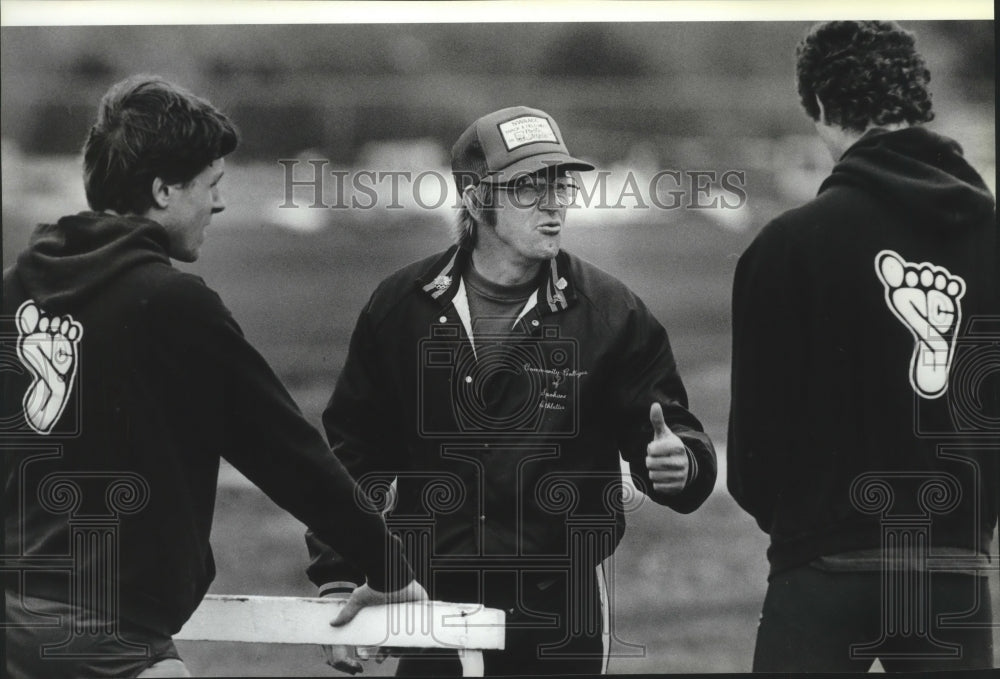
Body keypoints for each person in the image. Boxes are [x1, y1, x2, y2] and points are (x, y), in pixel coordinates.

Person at [1, 74, 426, 679]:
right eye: (212, 185)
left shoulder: (17, 291)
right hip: (105, 641)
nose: (220, 204)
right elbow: (287, 453)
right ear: (163, 190)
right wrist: (390, 568)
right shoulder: (174, 306)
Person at [306, 105, 717, 676]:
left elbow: (674, 436)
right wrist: (338, 574)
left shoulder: (611, 313)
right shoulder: (400, 307)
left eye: (561, 184)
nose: (554, 203)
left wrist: (684, 465)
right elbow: (352, 454)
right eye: (528, 187)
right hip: (431, 605)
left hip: (557, 617)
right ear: (477, 201)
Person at [728, 21, 998, 673]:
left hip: (822, 561)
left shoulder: (786, 245)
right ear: (915, 100)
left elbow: (753, 452)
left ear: (819, 105)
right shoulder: (992, 236)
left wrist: (807, 525)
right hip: (950, 566)